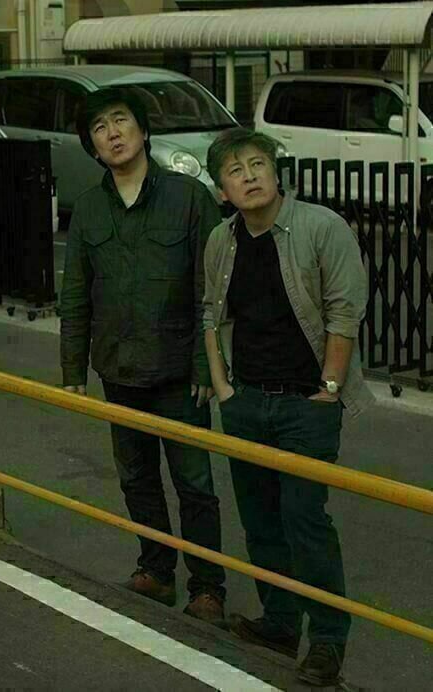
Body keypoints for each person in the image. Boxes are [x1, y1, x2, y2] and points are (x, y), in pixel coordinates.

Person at [202, 127, 374, 686]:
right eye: (235, 170)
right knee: (260, 520)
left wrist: (329, 388)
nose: (249, 176)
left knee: (305, 520)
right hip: (247, 401)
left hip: (306, 404)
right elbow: (211, 313)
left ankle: (327, 640)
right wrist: (223, 387)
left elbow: (344, 313)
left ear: (276, 173)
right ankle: (279, 622)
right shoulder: (221, 240)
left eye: (258, 164)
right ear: (223, 190)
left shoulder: (321, 227)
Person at [59, 87, 226, 625]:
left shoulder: (188, 197)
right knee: (136, 477)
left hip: (180, 372)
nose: (112, 133)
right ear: (92, 146)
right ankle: (155, 570)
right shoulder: (88, 209)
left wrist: (206, 364)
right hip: (119, 368)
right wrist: (72, 370)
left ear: (144, 130)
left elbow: (210, 289)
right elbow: (75, 294)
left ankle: (208, 588)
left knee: (194, 483)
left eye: (121, 121)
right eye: (100, 128)